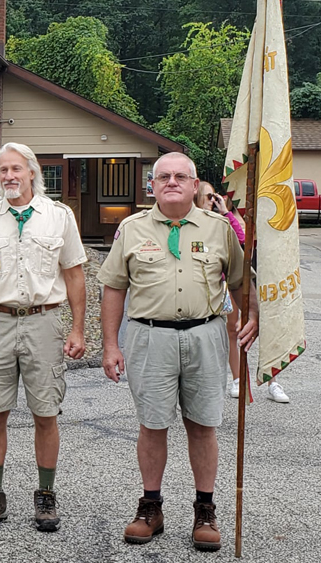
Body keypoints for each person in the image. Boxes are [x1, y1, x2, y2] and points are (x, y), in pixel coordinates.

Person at [98, 152, 259, 551]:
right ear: (151, 185)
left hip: (205, 335)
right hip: (149, 337)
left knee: (203, 425)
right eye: (163, 176)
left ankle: (205, 509)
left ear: (193, 184)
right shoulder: (131, 229)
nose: (171, 182)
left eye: (180, 176)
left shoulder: (220, 229)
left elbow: (241, 279)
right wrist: (110, 345)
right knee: (152, 425)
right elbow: (114, 287)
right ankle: (150, 507)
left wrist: (255, 313)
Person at [0, 142, 87, 533]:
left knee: (45, 412)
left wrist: (78, 327)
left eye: (17, 169)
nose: (10, 176)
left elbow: (75, 275)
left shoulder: (58, 217)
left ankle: (46, 494)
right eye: (3, 170)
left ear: (32, 172)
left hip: (43, 321)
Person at [197, 182, 289, 404]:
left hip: (261, 275)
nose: (213, 199)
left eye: (214, 196)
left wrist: (226, 213)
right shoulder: (212, 220)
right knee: (233, 329)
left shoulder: (248, 214)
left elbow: (244, 241)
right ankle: (238, 379)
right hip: (230, 280)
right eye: (207, 196)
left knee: (266, 327)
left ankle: (272, 380)